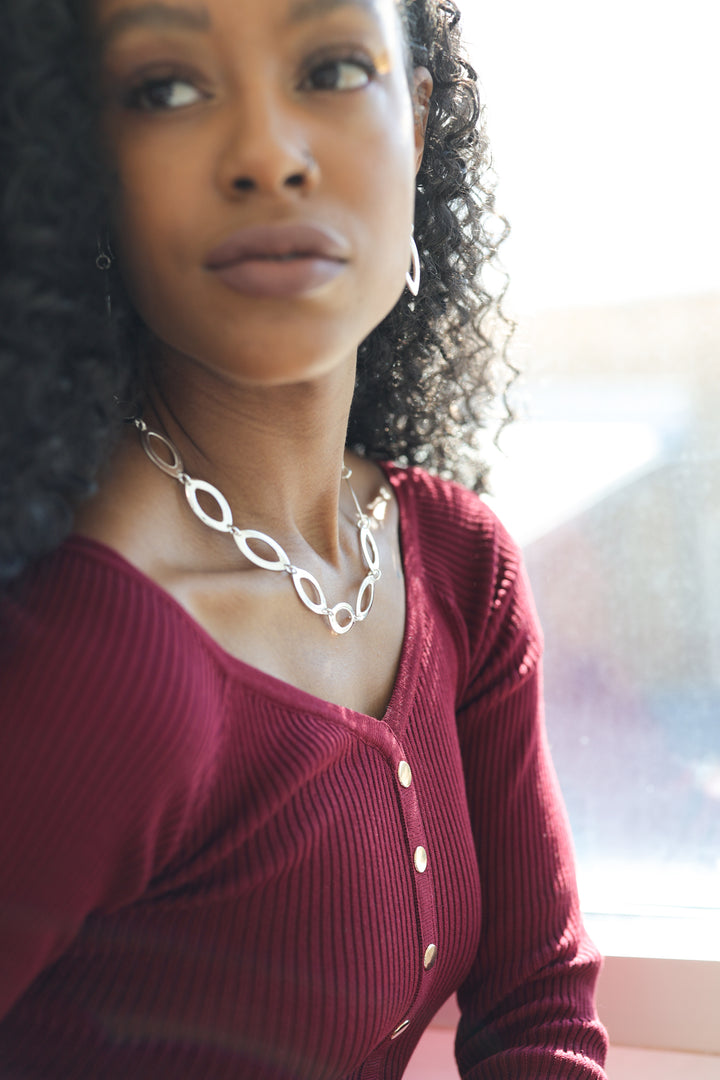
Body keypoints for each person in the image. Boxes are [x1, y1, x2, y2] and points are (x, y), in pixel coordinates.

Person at [0, 0, 609, 1076]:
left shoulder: (458, 565)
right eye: (167, 89)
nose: (268, 155)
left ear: (417, 123)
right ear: (90, 167)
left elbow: (542, 1008)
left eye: (330, 67)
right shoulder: (87, 657)